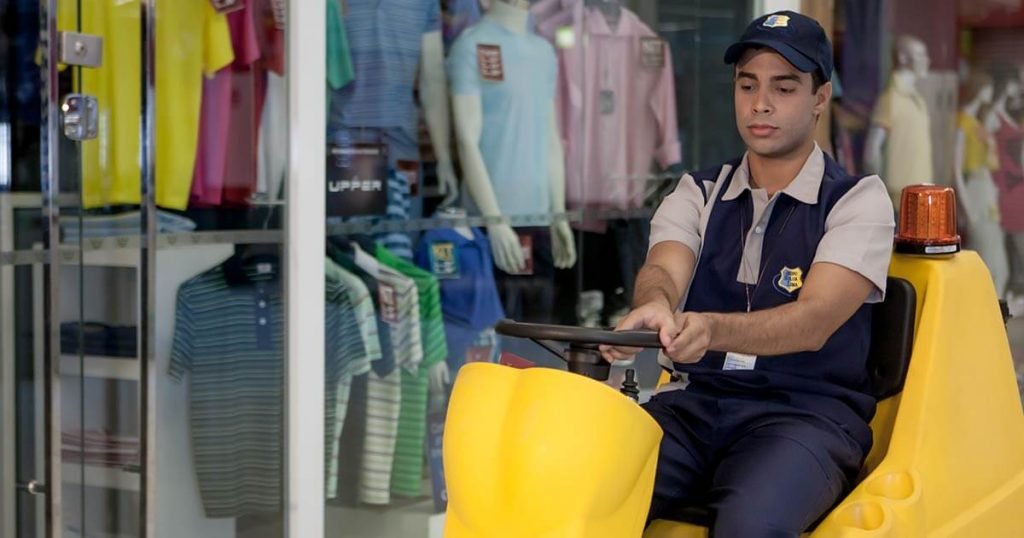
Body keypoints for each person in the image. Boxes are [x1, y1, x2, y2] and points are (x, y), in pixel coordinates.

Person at [600, 11, 895, 537]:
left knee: (749, 526)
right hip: (695, 406)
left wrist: (711, 329)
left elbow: (814, 320)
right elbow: (664, 266)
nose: (760, 103)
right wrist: (656, 305)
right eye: (747, 84)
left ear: (820, 97)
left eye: (783, 88)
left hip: (806, 418)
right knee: (582, 486)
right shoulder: (699, 191)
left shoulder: (857, 201)